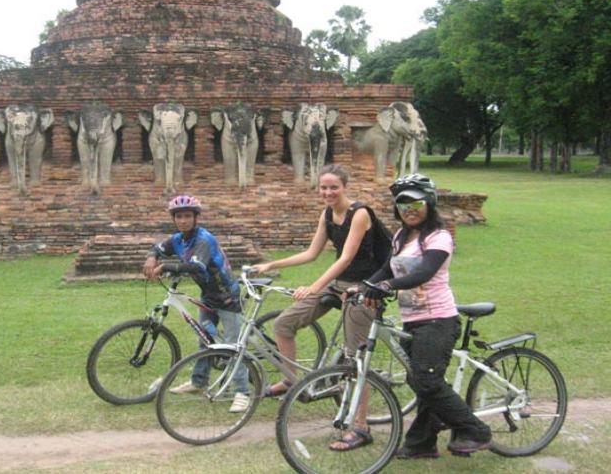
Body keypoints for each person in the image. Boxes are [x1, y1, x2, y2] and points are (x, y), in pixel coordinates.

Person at [360, 173, 492, 458]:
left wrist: (388, 286)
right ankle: (422, 444)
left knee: (427, 381)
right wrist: (365, 286)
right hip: (412, 320)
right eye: (402, 204)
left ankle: (476, 431)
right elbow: (387, 269)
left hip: (438, 320)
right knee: (420, 381)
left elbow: (424, 272)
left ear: (429, 204)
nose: (408, 210)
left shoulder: (440, 237)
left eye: (415, 203)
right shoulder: (400, 236)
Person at [252, 164, 381, 449]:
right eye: (324, 187)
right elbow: (312, 253)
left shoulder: (360, 213)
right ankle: (290, 381)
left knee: (355, 359)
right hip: (338, 284)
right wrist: (272, 263)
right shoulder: (326, 214)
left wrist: (313, 286)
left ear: (345, 186)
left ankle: (361, 426)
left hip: (363, 287)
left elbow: (346, 257)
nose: (328, 192)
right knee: (283, 325)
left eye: (334, 187)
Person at [143, 194, 250, 413]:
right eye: (179, 216)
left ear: (196, 217)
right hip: (208, 296)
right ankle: (199, 382)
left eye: (187, 216)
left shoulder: (204, 239)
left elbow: (198, 267)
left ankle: (243, 391)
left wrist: (166, 267)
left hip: (227, 296)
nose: (183, 221)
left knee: (232, 346)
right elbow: (159, 247)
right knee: (205, 340)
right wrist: (151, 257)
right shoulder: (179, 239)